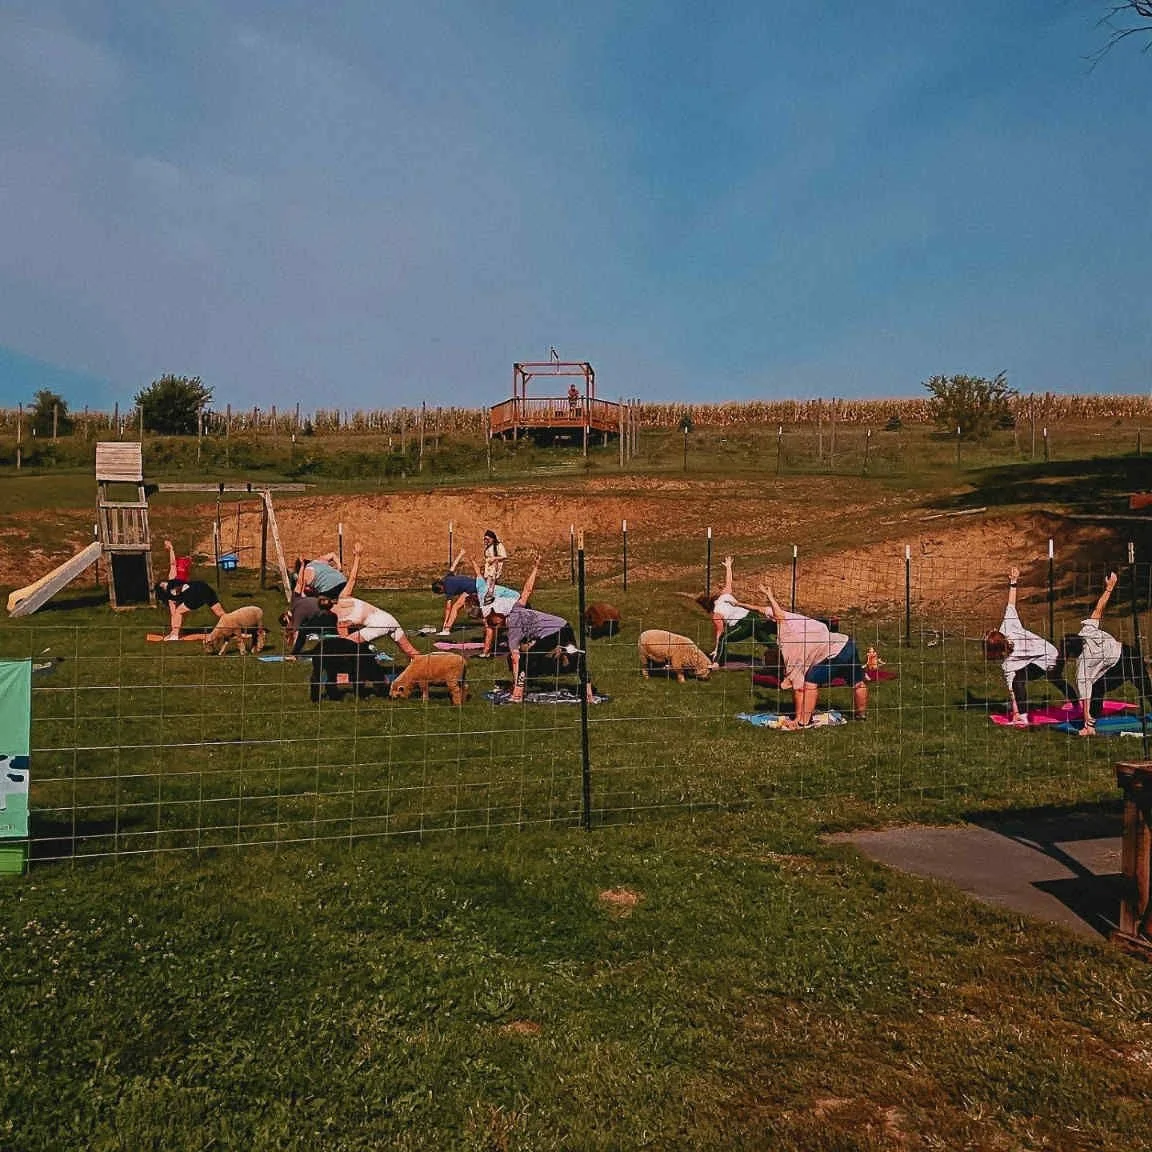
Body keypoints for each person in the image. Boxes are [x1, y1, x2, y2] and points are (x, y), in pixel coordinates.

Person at [754, 584, 867, 728]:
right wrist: (769, 596)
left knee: (810, 684)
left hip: (834, 652)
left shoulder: (790, 660)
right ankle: (861, 716)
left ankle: (803, 722)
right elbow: (780, 615)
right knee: (858, 683)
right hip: (846, 642)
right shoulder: (788, 634)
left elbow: (799, 689)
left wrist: (797, 719)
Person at [485, 557, 589, 701]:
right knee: (576, 660)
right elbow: (527, 590)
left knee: (523, 661)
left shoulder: (513, 630)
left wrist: (516, 683)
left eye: (493, 620)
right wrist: (536, 567)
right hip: (564, 626)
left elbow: (515, 659)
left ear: (500, 617)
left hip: (551, 633)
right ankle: (588, 692)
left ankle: (517, 695)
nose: (492, 622)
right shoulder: (516, 608)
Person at [1063, 571, 1152, 737]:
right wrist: (1110, 587)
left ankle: (1090, 725)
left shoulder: (1082, 665)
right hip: (1122, 656)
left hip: (1126, 658)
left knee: (1144, 687)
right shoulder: (1087, 630)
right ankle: (1092, 722)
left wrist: (1085, 718)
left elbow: (1085, 697)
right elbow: (1099, 608)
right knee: (1099, 687)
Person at [983, 566, 1073, 725]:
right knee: (1035, 680)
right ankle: (1077, 702)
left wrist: (1013, 581)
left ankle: (1023, 718)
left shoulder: (1008, 658)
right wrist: (1013, 582)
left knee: (1039, 679)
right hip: (1041, 654)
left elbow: (1012, 687)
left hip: (1049, 656)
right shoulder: (1007, 627)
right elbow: (1011, 604)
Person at [694, 556, 774, 665]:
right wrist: (728, 567)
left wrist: (717, 649)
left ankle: (717, 663)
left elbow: (719, 633)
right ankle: (783, 654)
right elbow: (729, 582)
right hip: (753, 616)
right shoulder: (724, 595)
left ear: (707, 608)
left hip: (743, 624)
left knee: (723, 638)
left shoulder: (716, 614)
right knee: (764, 638)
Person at [155, 539, 226, 639]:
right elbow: (173, 565)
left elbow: (173, 564)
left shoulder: (171, 586)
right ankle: (236, 628)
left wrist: (171, 549)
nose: (164, 583)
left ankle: (175, 635)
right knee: (220, 613)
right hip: (203, 587)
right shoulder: (172, 585)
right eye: (162, 585)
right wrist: (171, 548)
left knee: (178, 612)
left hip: (196, 592)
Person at [320, 592, 421, 660]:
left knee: (345, 646)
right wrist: (357, 560)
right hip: (389, 619)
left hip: (378, 626)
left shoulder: (340, 618)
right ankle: (426, 665)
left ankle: (344, 675)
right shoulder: (345, 597)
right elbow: (352, 579)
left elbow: (343, 640)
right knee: (409, 650)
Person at [431, 551, 476, 635]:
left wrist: (444, 624)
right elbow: (453, 566)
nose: (443, 594)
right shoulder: (446, 578)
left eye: (441, 593)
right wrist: (461, 554)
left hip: (471, 588)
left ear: (441, 589)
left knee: (455, 607)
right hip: (473, 584)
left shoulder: (448, 588)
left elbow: (448, 608)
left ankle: (447, 630)